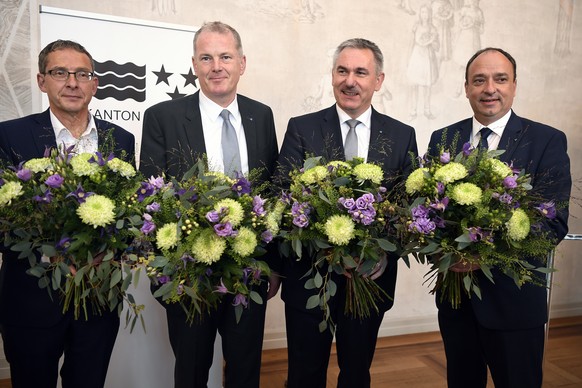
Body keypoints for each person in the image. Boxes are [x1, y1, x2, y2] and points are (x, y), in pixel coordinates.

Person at [139, 21, 279, 388]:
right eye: (206, 57)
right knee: (191, 368)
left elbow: (273, 194)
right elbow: (151, 198)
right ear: (194, 65)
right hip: (189, 277)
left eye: (225, 56)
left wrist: (273, 264)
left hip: (248, 271)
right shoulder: (163, 118)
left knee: (246, 368)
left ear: (242, 63)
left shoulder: (261, 115)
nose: (216, 66)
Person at [276, 38, 418, 388]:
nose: (349, 80)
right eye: (342, 70)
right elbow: (283, 197)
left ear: (378, 80)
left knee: (356, 374)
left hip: (369, 282)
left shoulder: (402, 135)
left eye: (360, 72)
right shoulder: (302, 127)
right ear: (333, 75)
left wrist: (382, 255)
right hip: (310, 280)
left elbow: (408, 211)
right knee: (304, 375)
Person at [428, 47, 571, 388]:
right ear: (466, 88)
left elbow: (552, 222)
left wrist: (480, 256)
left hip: (515, 305)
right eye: (479, 80)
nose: (489, 88)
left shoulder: (546, 140)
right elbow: (427, 211)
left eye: (500, 79)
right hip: (456, 303)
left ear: (514, 86)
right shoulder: (443, 139)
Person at [0, 40, 135, 388]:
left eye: (82, 74)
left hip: (97, 300)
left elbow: (130, 213)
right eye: (60, 72)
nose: (72, 82)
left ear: (95, 83)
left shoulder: (121, 139)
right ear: (42, 80)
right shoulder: (9, 135)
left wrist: (111, 252)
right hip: (31, 302)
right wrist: (55, 258)